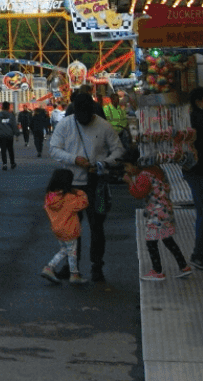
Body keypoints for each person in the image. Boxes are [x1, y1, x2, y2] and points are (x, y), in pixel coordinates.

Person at [50, 90, 121, 283]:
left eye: (87, 115)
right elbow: (54, 149)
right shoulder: (65, 125)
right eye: (80, 115)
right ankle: (72, 267)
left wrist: (103, 163)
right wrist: (74, 159)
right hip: (71, 185)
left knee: (97, 227)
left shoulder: (103, 126)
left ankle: (96, 266)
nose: (84, 119)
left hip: (95, 184)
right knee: (71, 229)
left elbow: (118, 150)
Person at [125, 153, 193, 282]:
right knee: (167, 239)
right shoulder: (156, 171)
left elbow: (139, 193)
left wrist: (130, 182)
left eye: (127, 166)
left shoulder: (144, 176)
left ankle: (157, 271)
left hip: (157, 213)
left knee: (151, 241)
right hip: (165, 210)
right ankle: (184, 266)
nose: (126, 170)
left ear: (136, 165)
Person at [40, 168, 88, 286]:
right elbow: (83, 202)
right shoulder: (69, 197)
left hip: (57, 228)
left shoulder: (50, 197)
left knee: (67, 250)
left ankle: (72, 274)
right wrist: (79, 192)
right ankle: (51, 268)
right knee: (69, 251)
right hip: (70, 228)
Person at [188, 88, 203, 270]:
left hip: (192, 170)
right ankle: (198, 254)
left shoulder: (189, 119)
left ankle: (198, 253)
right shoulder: (199, 119)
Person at [0, 102, 17, 170]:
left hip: (1, 135)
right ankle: (12, 163)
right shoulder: (11, 115)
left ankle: (4, 164)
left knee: (3, 150)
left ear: (2, 107)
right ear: (8, 107)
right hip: (9, 135)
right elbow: (14, 125)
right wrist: (16, 133)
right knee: (10, 149)